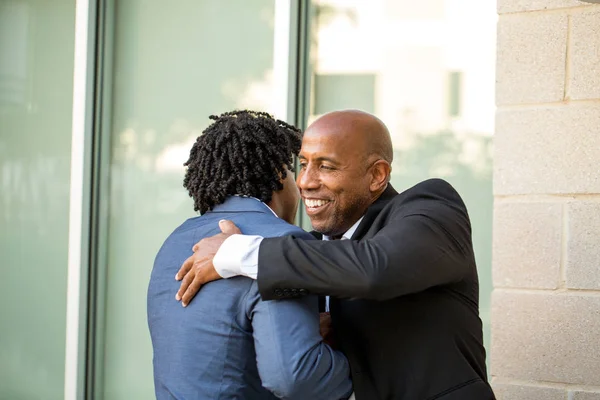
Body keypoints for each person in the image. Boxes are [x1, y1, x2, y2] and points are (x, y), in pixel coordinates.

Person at [175, 110, 496, 400]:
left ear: (376, 175)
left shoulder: (431, 210)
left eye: (325, 166)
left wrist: (239, 251)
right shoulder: (308, 249)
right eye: (302, 165)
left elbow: (375, 269)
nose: (304, 182)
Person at [147, 110, 352, 400]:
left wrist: (303, 334)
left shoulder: (174, 242)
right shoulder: (280, 241)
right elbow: (294, 378)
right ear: (280, 172)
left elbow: (211, 352)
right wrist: (357, 365)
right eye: (296, 170)